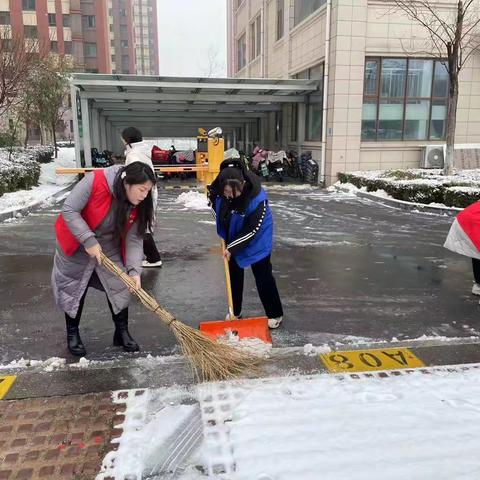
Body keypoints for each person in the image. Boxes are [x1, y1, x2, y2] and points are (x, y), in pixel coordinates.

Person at [52, 162, 156, 356]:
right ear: (127, 183)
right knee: (73, 288)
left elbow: (134, 238)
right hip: (77, 241)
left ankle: (121, 332)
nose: (144, 195)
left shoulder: (138, 205)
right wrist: (88, 239)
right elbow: (69, 209)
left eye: (147, 191)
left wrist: (134, 271)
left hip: (109, 245)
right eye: (142, 189)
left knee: (120, 285)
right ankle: (72, 334)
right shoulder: (96, 180)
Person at [208, 160, 284, 329]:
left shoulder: (257, 199)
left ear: (242, 183)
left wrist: (233, 247)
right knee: (233, 274)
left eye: (235, 192)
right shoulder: (218, 191)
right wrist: (224, 230)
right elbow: (214, 206)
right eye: (227, 192)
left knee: (263, 275)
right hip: (233, 233)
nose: (231, 195)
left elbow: (253, 229)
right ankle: (236, 311)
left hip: (257, 237)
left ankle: (275, 313)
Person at [122, 126, 163, 268]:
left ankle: (153, 258)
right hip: (147, 192)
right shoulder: (141, 152)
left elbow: (133, 179)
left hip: (141, 193)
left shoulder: (133, 155)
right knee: (142, 224)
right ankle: (152, 257)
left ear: (127, 140)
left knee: (140, 224)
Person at [444, 200, 480, 299]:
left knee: (476, 252)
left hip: (468, 219)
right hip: (471, 221)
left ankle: (478, 285)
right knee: (477, 251)